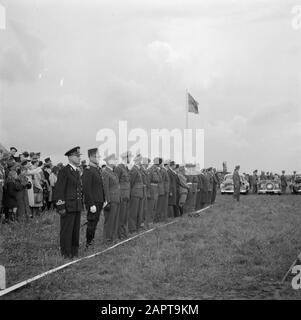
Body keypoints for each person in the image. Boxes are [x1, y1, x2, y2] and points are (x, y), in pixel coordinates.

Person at [53, 146, 83, 259]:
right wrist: (60, 206)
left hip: (76, 205)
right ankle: (66, 253)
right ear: (70, 157)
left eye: (79, 156)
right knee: (67, 231)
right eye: (77, 155)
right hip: (68, 206)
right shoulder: (64, 171)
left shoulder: (76, 171)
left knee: (75, 231)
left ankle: (74, 252)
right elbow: (59, 190)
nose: (79, 158)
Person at [82, 148, 105, 248]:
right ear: (91, 157)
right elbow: (87, 188)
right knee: (91, 222)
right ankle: (89, 243)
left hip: (99, 200)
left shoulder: (96, 169)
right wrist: (91, 203)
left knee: (95, 222)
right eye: (97, 156)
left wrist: (104, 199)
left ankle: (92, 240)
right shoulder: (88, 170)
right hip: (93, 201)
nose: (98, 158)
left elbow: (100, 186)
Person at [102, 153, 120, 243]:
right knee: (109, 219)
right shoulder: (105, 172)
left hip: (116, 198)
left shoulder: (113, 172)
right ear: (109, 161)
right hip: (111, 199)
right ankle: (107, 238)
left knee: (115, 219)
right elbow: (106, 188)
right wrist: (107, 201)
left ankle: (113, 236)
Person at [114, 151, 132, 239]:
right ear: (126, 158)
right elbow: (116, 183)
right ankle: (120, 234)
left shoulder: (126, 168)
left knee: (125, 216)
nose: (131, 159)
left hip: (127, 195)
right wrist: (119, 195)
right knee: (121, 216)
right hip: (122, 195)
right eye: (130, 157)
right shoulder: (119, 168)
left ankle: (124, 232)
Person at [129, 154, 144, 233]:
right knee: (133, 211)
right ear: (137, 161)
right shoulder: (134, 169)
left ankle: (137, 226)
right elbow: (131, 181)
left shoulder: (139, 169)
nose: (141, 161)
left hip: (140, 193)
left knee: (139, 211)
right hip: (135, 193)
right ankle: (132, 228)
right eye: (140, 160)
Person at [147, 158, 161, 225]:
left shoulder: (157, 170)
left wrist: (158, 171)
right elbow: (148, 181)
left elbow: (160, 179)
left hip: (156, 189)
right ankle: (148, 221)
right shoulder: (151, 170)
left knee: (155, 206)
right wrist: (148, 192)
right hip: (152, 189)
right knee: (150, 206)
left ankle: (151, 221)